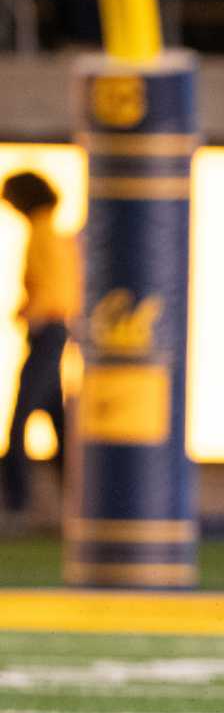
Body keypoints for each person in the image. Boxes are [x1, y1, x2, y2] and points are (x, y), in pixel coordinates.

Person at [2, 171, 80, 525]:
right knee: (58, 424)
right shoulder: (50, 232)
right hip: (53, 333)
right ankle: (79, 504)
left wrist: (30, 313)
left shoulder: (42, 233)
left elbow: (54, 291)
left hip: (47, 333)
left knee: (19, 422)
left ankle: (16, 506)